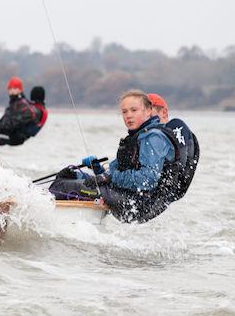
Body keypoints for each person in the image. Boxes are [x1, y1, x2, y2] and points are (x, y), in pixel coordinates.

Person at [48, 89, 197, 223]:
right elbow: (115, 172)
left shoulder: (153, 138)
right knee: (69, 177)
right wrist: (100, 171)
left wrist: (110, 178)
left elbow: (148, 180)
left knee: (61, 186)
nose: (129, 115)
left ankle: (49, 216)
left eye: (134, 110)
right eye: (124, 112)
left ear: (148, 111)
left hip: (138, 203)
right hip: (126, 194)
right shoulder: (137, 136)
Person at [147, 93, 200, 200]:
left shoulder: (175, 125)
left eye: (149, 116)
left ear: (164, 112)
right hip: (163, 193)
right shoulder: (152, 136)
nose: (146, 121)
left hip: (166, 191)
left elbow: (181, 163)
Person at [0, 77, 43, 146]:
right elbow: (4, 122)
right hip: (6, 133)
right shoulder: (13, 103)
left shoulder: (23, 105)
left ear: (20, 89)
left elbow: (12, 124)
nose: (12, 90)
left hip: (14, 138)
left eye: (15, 88)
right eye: (10, 88)